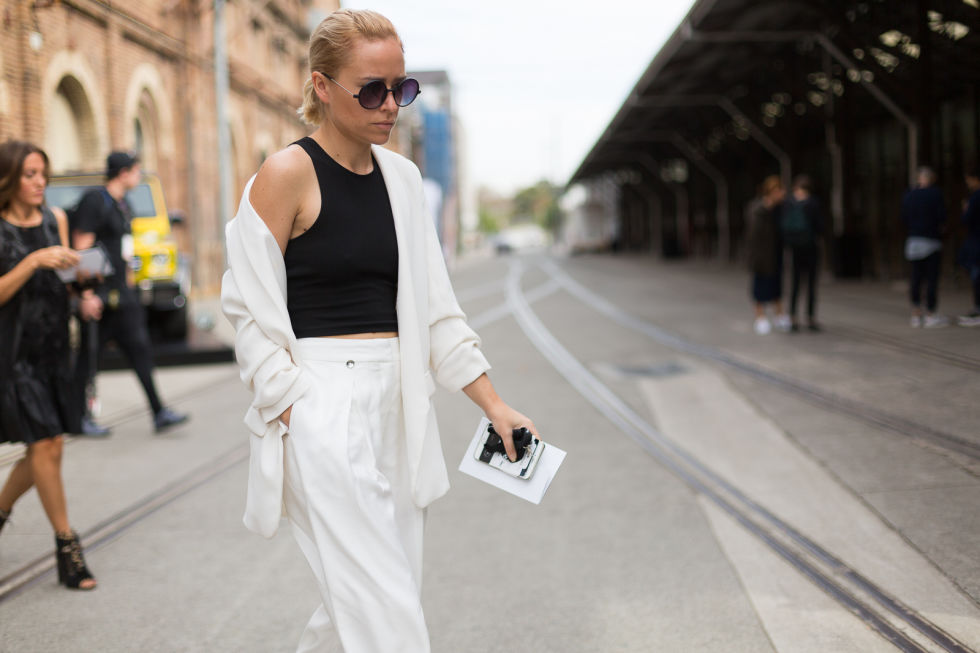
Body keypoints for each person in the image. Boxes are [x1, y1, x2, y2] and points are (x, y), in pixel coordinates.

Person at [221, 9, 536, 652]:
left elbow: (437, 313)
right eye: (372, 90)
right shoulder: (286, 174)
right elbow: (246, 305)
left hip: (399, 404)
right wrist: (287, 404)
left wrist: (494, 405)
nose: (392, 105)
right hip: (319, 406)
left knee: (366, 598)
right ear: (322, 87)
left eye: (403, 88)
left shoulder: (404, 180)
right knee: (386, 610)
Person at [0, 140, 96, 590]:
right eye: (30, 174)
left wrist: (83, 283)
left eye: (43, 173)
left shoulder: (55, 219)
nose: (40, 182)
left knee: (47, 446)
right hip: (14, 353)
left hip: (56, 347)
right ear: (9, 179)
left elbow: (63, 280)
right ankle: (67, 546)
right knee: (46, 444)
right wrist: (34, 260)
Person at [70, 150, 188, 432]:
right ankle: (77, 419)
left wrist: (130, 286)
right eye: (136, 170)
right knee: (88, 359)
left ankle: (159, 412)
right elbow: (81, 248)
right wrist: (86, 295)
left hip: (123, 296)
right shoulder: (95, 201)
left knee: (141, 351)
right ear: (123, 173)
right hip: (99, 296)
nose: (138, 175)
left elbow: (124, 250)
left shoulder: (123, 205)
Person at [901, 166, 948, 328]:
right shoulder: (936, 194)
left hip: (914, 240)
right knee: (931, 278)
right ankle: (930, 313)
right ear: (932, 179)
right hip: (931, 241)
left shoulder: (909, 195)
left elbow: (904, 217)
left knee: (916, 277)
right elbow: (942, 217)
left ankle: (916, 313)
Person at [746, 175, 791, 334]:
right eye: (778, 191)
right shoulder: (757, 209)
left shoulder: (780, 209)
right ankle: (760, 317)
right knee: (760, 287)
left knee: (776, 286)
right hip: (760, 256)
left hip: (775, 254)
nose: (781, 194)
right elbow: (753, 235)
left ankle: (780, 315)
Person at [781, 174, 823, 331]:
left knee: (795, 283)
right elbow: (820, 226)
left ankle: (792, 317)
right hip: (810, 247)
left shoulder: (788, 203)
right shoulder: (813, 203)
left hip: (794, 248)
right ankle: (810, 318)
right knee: (811, 284)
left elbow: (782, 225)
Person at [956, 168, 980, 327]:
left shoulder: (975, 197)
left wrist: (965, 209)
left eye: (969, 180)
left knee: (977, 275)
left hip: (977, 242)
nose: (968, 183)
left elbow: (966, 219)